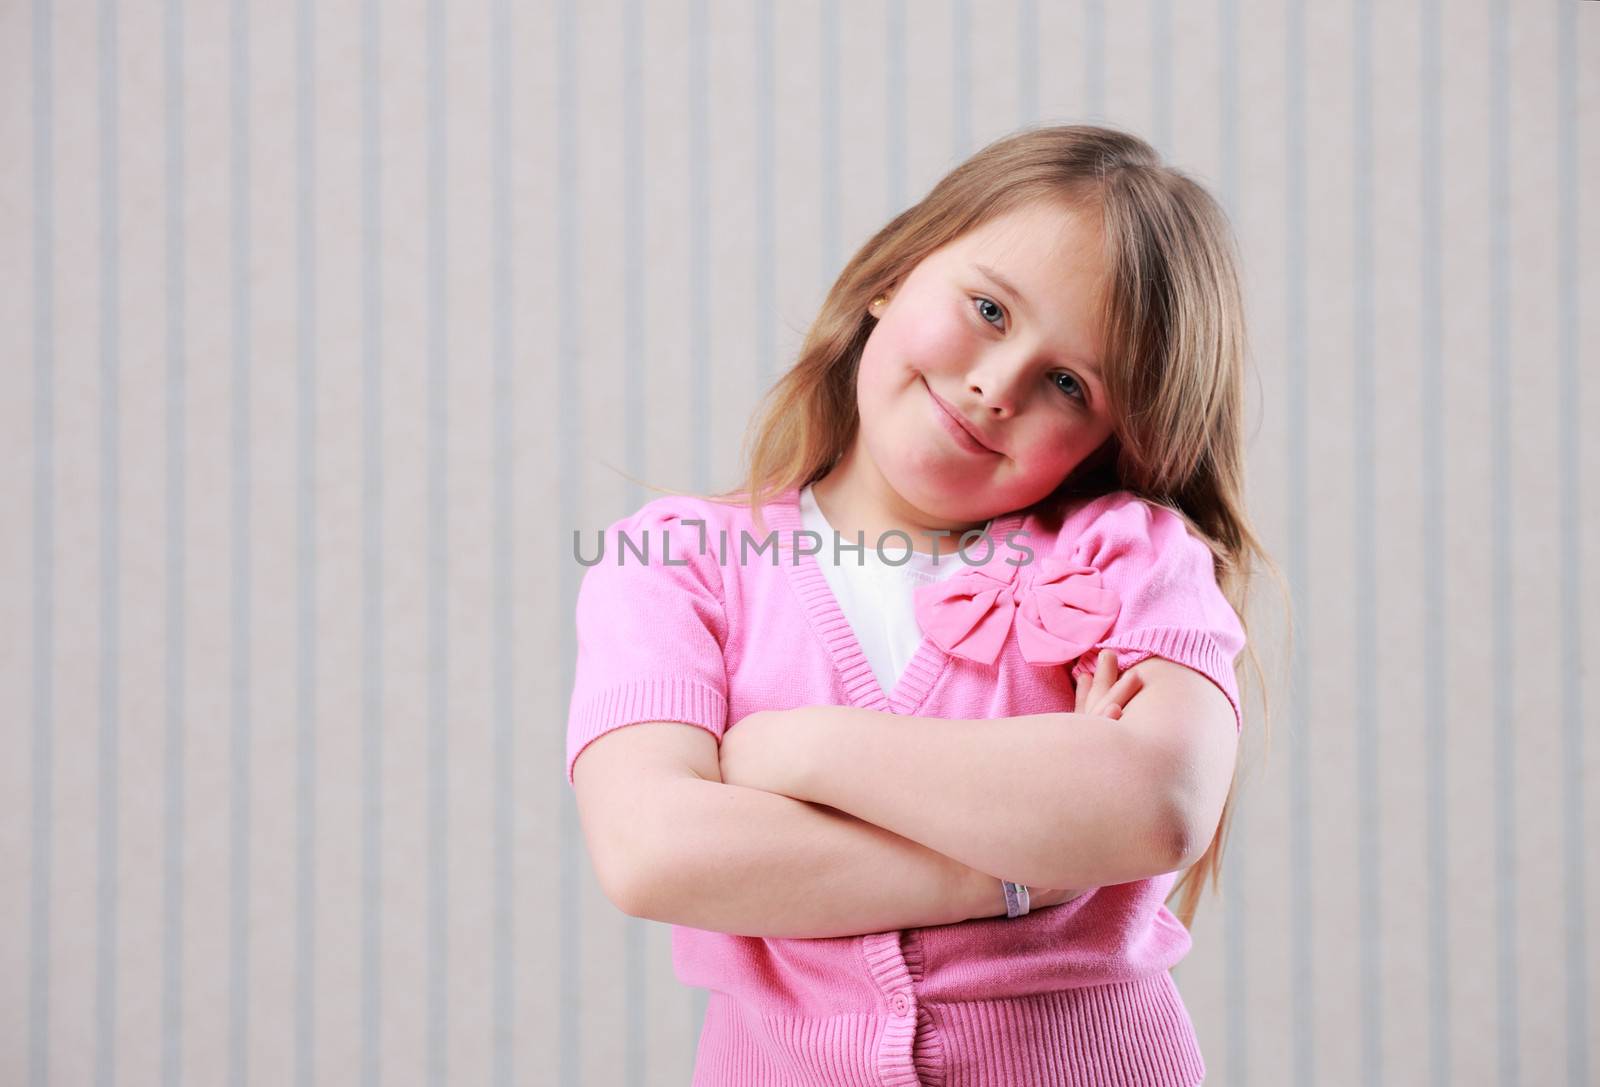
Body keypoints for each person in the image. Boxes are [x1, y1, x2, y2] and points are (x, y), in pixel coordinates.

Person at [565, 123, 1286, 1087]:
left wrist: (797, 750)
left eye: (1068, 384)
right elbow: (653, 850)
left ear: (1108, 440)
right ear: (893, 274)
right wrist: (1016, 873)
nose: (996, 386)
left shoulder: (1129, 554)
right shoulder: (678, 561)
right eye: (988, 308)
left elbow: (1157, 802)